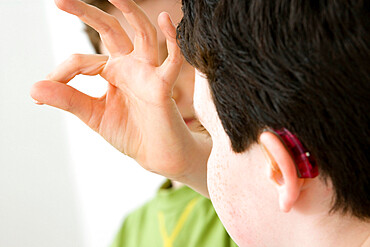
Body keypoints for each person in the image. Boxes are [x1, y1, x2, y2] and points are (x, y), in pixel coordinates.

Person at [31, 0, 370, 246]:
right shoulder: (130, 233)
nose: (165, 89)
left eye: (183, 54)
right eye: (135, 71)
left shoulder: (261, 211)